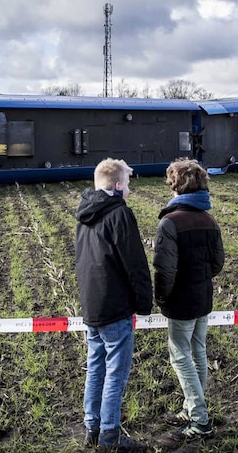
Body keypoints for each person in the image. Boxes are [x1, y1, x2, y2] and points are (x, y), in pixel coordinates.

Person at [75, 158, 153, 450]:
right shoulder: (120, 213)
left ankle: (91, 428)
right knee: (115, 373)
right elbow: (135, 263)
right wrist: (144, 302)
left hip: (92, 306)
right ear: (118, 186)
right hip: (115, 306)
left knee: (95, 368)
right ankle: (110, 436)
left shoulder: (84, 214)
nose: (130, 190)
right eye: (128, 184)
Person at [153, 159, 224, 441]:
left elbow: (164, 269)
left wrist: (161, 297)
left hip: (180, 301)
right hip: (203, 297)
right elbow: (218, 262)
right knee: (198, 352)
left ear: (175, 185)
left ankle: (199, 419)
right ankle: (191, 407)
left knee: (180, 357)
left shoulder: (169, 222)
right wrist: (201, 279)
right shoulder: (209, 220)